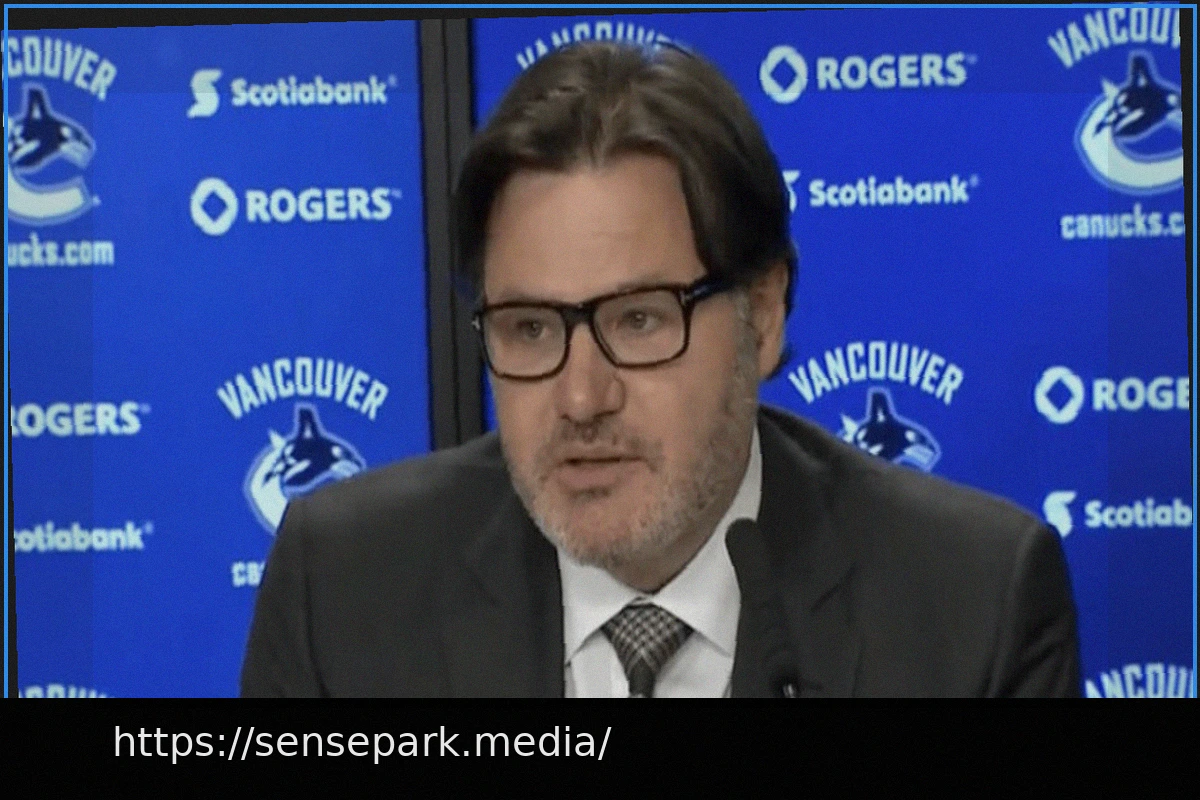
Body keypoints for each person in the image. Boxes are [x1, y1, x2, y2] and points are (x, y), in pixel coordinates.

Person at [240, 40, 1081, 698]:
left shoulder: (974, 609)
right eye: (530, 328)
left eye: (639, 320)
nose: (581, 397)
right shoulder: (343, 591)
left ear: (761, 317)